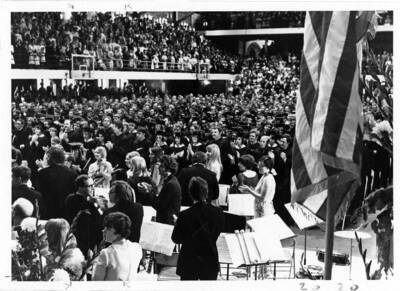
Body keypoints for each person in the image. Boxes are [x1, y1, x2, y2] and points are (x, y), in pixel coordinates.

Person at [172, 176, 225, 280]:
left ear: (190, 193)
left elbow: (176, 239)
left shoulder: (184, 215)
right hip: (210, 259)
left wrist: (177, 224)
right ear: (207, 191)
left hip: (189, 261)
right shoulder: (218, 213)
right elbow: (216, 232)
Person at [92, 212, 142, 281]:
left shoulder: (106, 253)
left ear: (119, 232)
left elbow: (96, 282)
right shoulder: (137, 248)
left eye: (108, 228)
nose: (104, 230)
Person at [64, 175, 104, 258]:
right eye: (89, 186)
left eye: (93, 185)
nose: (92, 188)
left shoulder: (87, 200)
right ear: (80, 187)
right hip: (82, 238)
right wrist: (95, 204)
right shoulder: (75, 200)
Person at [35, 147, 77, 219]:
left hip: (48, 210)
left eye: (47, 157)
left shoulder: (42, 173)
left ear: (50, 158)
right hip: (66, 210)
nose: (46, 159)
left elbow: (39, 193)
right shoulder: (72, 173)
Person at [151, 155, 181, 225]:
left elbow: (160, 205)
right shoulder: (169, 180)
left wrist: (149, 193)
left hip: (167, 222)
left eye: (161, 166)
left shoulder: (170, 184)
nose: (158, 168)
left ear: (167, 168)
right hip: (166, 220)